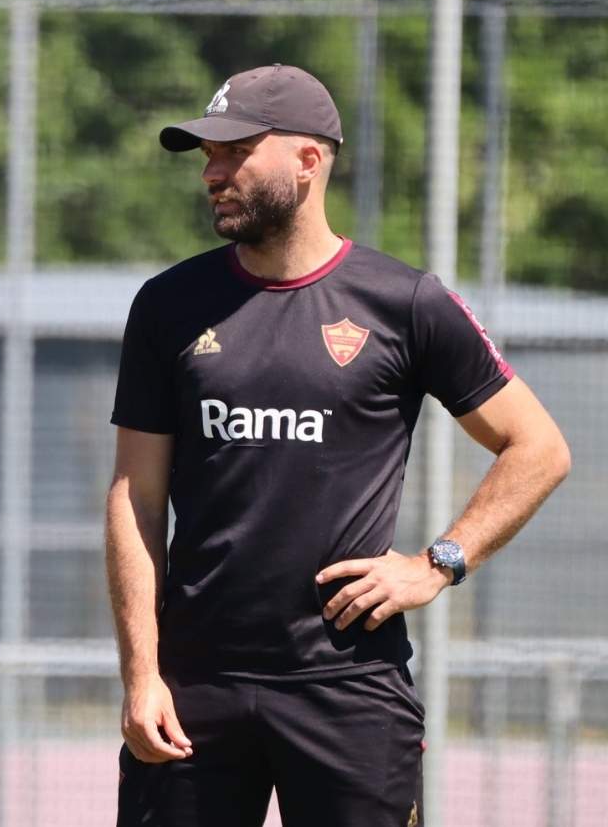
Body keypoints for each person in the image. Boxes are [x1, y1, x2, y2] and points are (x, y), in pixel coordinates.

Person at [106, 65, 570, 827]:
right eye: (206, 158)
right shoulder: (168, 305)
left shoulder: (405, 302)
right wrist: (142, 675)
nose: (213, 175)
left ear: (307, 161)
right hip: (194, 692)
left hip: (349, 690)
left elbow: (539, 447)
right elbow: (136, 496)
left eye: (233, 153)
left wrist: (438, 563)